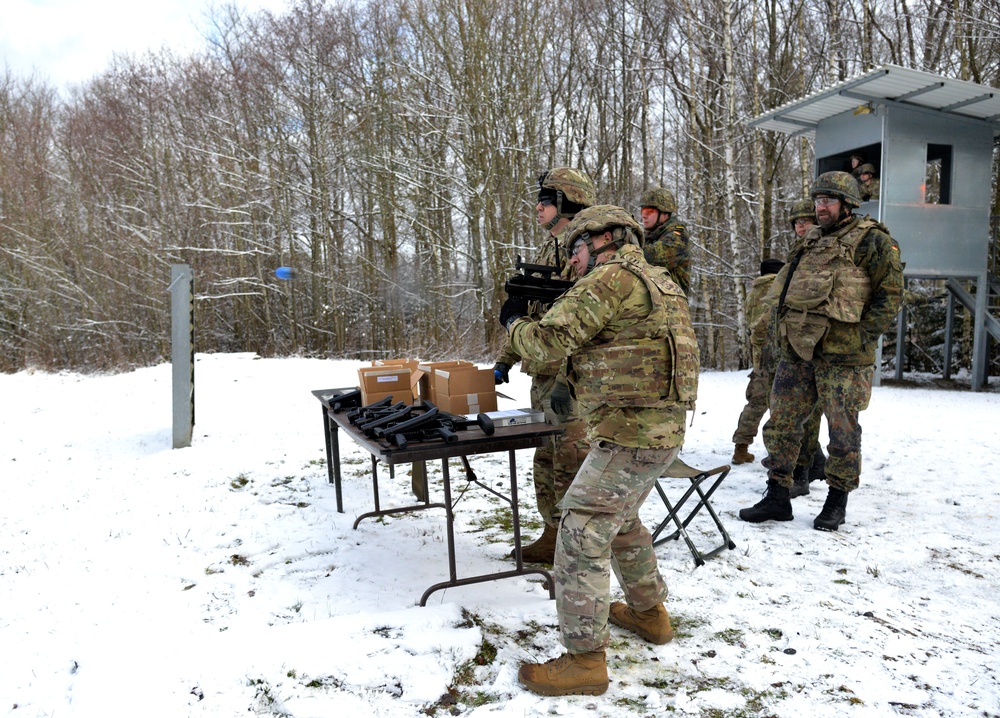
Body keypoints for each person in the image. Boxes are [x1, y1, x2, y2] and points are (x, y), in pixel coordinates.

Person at [498, 205, 699, 696]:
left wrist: (512, 324)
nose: (571, 263)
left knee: (581, 531)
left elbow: (545, 344)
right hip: (656, 431)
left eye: (576, 250)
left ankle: (585, 660)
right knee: (622, 522)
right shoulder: (657, 279)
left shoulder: (609, 279)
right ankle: (651, 615)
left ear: (604, 240)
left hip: (630, 432)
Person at [739, 171, 903, 531]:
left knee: (842, 430)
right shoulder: (810, 240)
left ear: (847, 204)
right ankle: (777, 496)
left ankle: (836, 500)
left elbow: (889, 296)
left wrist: (862, 338)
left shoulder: (873, 241)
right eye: (817, 200)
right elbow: (785, 291)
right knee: (781, 422)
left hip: (843, 356)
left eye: (827, 200)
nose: (820, 207)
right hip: (798, 348)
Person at [493, 167, 595, 563]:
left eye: (547, 202)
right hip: (543, 371)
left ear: (567, 203)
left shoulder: (584, 254)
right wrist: (505, 360)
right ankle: (553, 532)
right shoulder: (548, 251)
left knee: (572, 459)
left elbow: (582, 320)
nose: (538, 208)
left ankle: (577, 542)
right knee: (547, 458)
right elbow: (533, 315)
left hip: (572, 378)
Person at [735, 199, 827, 499]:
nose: (801, 226)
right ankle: (810, 464)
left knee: (803, 411)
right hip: (789, 341)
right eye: (797, 223)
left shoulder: (825, 250)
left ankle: (804, 467)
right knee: (798, 410)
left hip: (813, 340)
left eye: (806, 221)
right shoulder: (799, 252)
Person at [638, 187, 691, 295]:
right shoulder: (651, 235)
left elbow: (649, 257)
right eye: (643, 210)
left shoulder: (678, 237)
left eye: (649, 211)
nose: (644, 215)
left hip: (672, 306)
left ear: (665, 214)